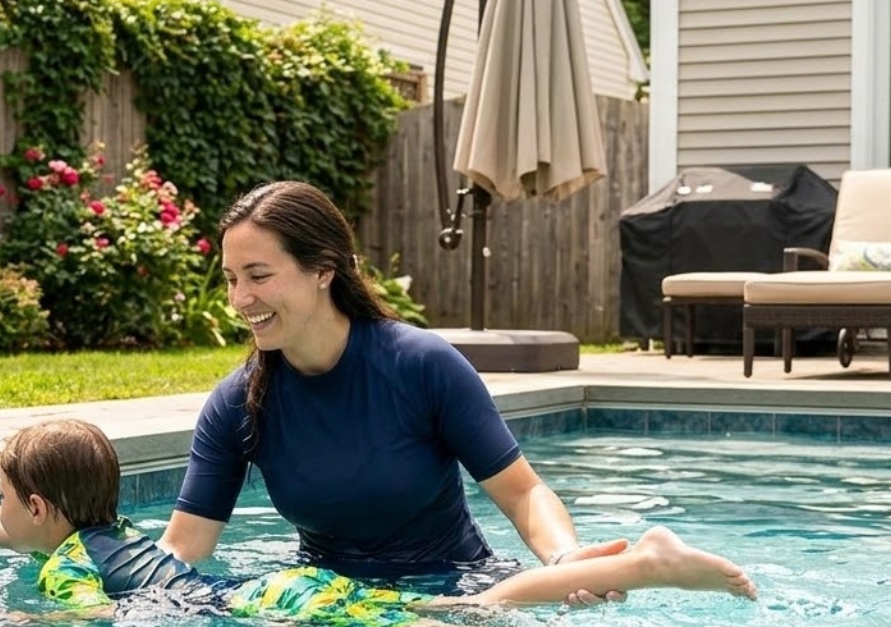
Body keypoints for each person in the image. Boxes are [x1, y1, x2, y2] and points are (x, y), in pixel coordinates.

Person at [0, 419, 756, 627]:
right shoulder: (102, 532)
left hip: (270, 606)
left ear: (41, 511)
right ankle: (604, 602)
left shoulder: (66, 573)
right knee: (458, 623)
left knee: (470, 612)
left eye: (4, 497)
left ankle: (645, 563)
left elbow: (88, 622)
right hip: (274, 591)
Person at [161, 180, 623, 599]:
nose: (240, 299)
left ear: (323, 271)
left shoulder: (421, 365)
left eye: (258, 276)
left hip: (458, 591)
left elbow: (522, 494)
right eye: (230, 279)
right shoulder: (239, 403)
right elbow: (184, 546)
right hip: (332, 605)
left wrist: (564, 560)